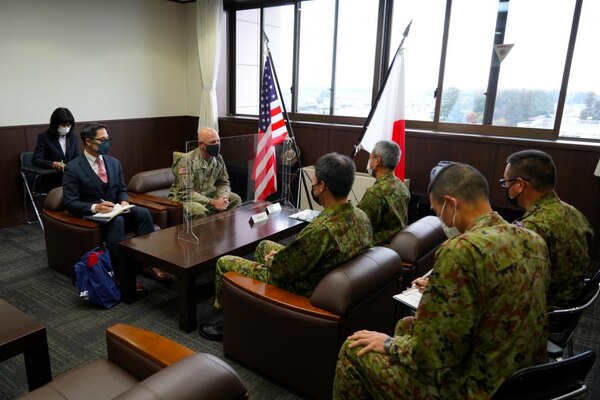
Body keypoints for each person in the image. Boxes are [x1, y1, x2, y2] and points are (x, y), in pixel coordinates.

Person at [333, 163, 550, 400]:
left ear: (451, 202)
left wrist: (387, 344)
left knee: (353, 350)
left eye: (438, 211)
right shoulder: (534, 239)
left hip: (474, 387)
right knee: (407, 325)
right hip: (524, 379)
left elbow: (431, 354)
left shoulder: (460, 250)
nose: (442, 219)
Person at [199, 153, 373, 341]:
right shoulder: (361, 217)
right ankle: (257, 309)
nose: (313, 185)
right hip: (323, 275)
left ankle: (228, 323)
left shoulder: (321, 230)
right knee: (264, 245)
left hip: (302, 289)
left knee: (224, 262)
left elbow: (284, 270)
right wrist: (279, 257)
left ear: (322, 186)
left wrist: (274, 260)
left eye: (314, 181)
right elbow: (301, 256)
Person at [63, 122, 171, 292]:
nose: (107, 143)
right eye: (102, 140)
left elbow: (121, 189)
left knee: (143, 213)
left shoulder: (113, 162)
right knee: (118, 222)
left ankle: (149, 265)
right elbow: (70, 202)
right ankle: (121, 275)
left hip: (116, 209)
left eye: (108, 139)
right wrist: (95, 207)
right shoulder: (73, 168)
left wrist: (124, 201)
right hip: (95, 216)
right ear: (88, 142)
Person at [503, 149, 593, 310]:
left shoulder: (533, 227)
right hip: (572, 300)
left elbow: (513, 279)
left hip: (545, 309)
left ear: (519, 185)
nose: (506, 187)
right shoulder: (574, 212)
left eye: (506, 182)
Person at [169, 127, 241, 218]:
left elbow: (223, 182)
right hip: (185, 200)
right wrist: (213, 202)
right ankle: (206, 231)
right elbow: (185, 193)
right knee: (199, 210)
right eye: (212, 142)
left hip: (209, 195)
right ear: (201, 145)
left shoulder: (218, 158)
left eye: (218, 141)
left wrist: (222, 198)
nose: (217, 144)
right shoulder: (187, 161)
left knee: (235, 199)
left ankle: (223, 228)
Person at [358, 140, 410, 245]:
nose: (369, 161)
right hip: (395, 246)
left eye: (370, 157)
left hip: (376, 249)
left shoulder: (375, 193)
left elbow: (358, 227)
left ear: (377, 161)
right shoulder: (401, 186)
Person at [32, 107, 79, 190]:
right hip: (53, 179)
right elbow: (36, 160)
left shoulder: (72, 137)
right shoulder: (44, 137)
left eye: (69, 125)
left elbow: (77, 156)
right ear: (55, 124)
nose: (67, 128)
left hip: (71, 178)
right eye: (63, 125)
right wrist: (53, 164)